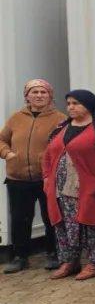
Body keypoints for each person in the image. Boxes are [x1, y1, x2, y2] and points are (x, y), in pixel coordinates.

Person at [41, 90, 95, 281]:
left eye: (76, 103)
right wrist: (47, 177)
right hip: (60, 188)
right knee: (64, 224)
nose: (71, 107)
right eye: (69, 103)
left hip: (88, 186)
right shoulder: (61, 128)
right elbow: (48, 154)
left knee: (93, 224)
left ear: (89, 106)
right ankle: (70, 261)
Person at [1, 79, 66, 273]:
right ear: (27, 96)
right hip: (17, 178)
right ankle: (20, 256)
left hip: (46, 178)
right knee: (20, 219)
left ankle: (54, 254)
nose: (39, 96)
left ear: (50, 96)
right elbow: (2, 140)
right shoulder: (15, 118)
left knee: (51, 217)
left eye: (43, 92)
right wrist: (8, 154)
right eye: (34, 92)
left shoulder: (60, 118)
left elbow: (64, 146)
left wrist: (46, 160)